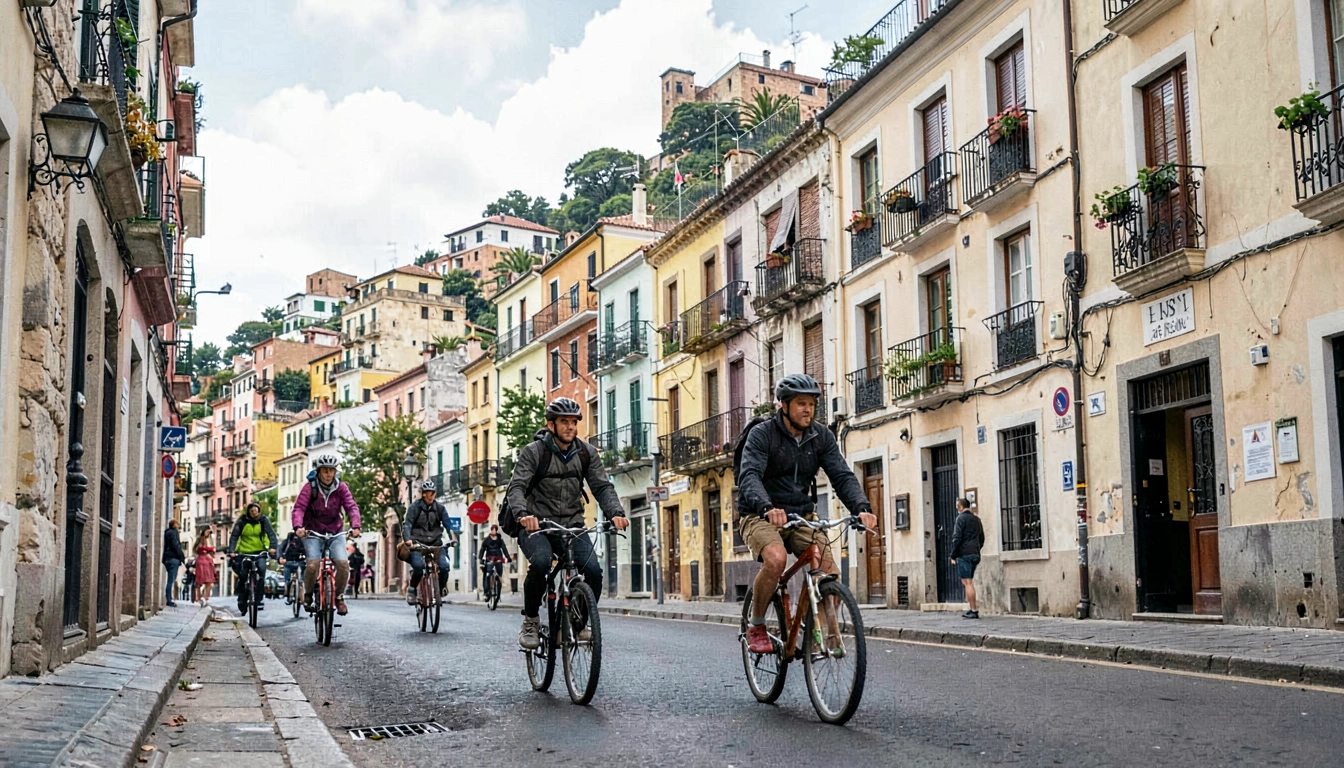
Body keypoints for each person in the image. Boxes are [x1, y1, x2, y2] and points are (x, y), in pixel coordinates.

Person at [735, 374, 879, 654]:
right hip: (759, 514)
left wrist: (862, 508)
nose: (807, 410)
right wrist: (766, 507)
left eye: (812, 404)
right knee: (776, 559)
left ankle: (820, 636)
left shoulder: (820, 436)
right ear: (784, 406)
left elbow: (841, 475)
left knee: (829, 573)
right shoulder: (762, 434)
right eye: (801, 403)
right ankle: (757, 624)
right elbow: (749, 475)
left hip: (800, 516)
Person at [504, 397, 629, 650]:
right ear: (551, 424)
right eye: (564, 422)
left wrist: (616, 512)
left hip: (572, 524)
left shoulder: (586, 453)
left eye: (574, 422)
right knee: (540, 562)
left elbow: (602, 487)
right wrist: (522, 515)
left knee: (593, 571)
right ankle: (530, 619)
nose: (570, 427)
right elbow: (517, 487)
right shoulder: (533, 452)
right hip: (536, 524)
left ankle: (576, 622)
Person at [292, 455, 362, 616]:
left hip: (335, 530)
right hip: (313, 531)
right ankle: (308, 595)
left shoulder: (341, 487)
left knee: (343, 564)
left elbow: (351, 506)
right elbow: (299, 508)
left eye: (332, 470)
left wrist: (355, 525)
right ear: (318, 472)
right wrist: (298, 526)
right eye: (325, 470)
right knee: (312, 565)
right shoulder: (309, 488)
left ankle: (338, 596)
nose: (329, 474)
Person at [401, 479, 457, 605]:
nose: (431, 496)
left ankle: (440, 588)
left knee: (444, 566)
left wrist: (453, 537)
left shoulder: (440, 508)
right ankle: (412, 589)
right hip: (418, 543)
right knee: (419, 567)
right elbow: (407, 524)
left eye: (433, 493)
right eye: (428, 493)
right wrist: (408, 540)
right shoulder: (414, 508)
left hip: (435, 543)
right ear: (423, 494)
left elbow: (448, 524)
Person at [229, 502, 280, 615]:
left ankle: (259, 598)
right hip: (244, 552)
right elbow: (234, 536)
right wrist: (232, 551)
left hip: (259, 552)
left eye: (256, 511)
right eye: (252, 511)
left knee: (261, 571)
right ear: (249, 511)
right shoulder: (242, 521)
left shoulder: (263, 520)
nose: (254, 513)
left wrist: (272, 548)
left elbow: (271, 535)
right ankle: (242, 599)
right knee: (243, 575)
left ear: (259, 511)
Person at [949, 497, 984, 619]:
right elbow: (982, 538)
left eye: (957, 506)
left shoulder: (960, 519)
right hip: (975, 553)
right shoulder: (976, 519)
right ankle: (971, 608)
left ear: (960, 507)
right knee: (969, 581)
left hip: (964, 554)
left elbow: (957, 538)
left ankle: (973, 609)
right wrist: (977, 549)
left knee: (967, 582)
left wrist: (953, 555)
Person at [478, 524, 513, 599]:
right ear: (491, 530)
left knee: (499, 575)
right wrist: (480, 559)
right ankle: (486, 592)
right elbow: (482, 549)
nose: (494, 531)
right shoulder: (486, 540)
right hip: (489, 558)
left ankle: (498, 591)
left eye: (495, 529)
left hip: (498, 557)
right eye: (492, 529)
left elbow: (504, 548)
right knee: (487, 574)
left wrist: (508, 557)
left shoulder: (500, 539)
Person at [162, 519, 186, 607]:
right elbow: (176, 545)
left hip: (167, 559)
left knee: (170, 579)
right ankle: (169, 600)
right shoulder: (174, 533)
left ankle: (169, 598)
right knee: (171, 580)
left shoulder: (167, 533)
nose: (179, 526)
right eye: (178, 524)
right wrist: (182, 557)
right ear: (174, 525)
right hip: (173, 559)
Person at [278, 530, 306, 605]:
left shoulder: (304, 541)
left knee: (301, 579)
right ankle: (287, 589)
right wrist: (280, 558)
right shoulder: (288, 540)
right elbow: (280, 549)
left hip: (299, 562)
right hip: (289, 562)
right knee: (289, 578)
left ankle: (295, 590)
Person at [192, 530, 217, 605]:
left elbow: (213, 550)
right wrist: (209, 549)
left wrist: (211, 551)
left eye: (209, 532)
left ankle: (206, 597)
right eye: (207, 532)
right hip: (201, 561)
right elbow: (198, 549)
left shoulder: (210, 539)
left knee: (209, 581)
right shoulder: (200, 539)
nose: (208, 534)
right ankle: (198, 597)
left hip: (208, 561)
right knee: (199, 580)